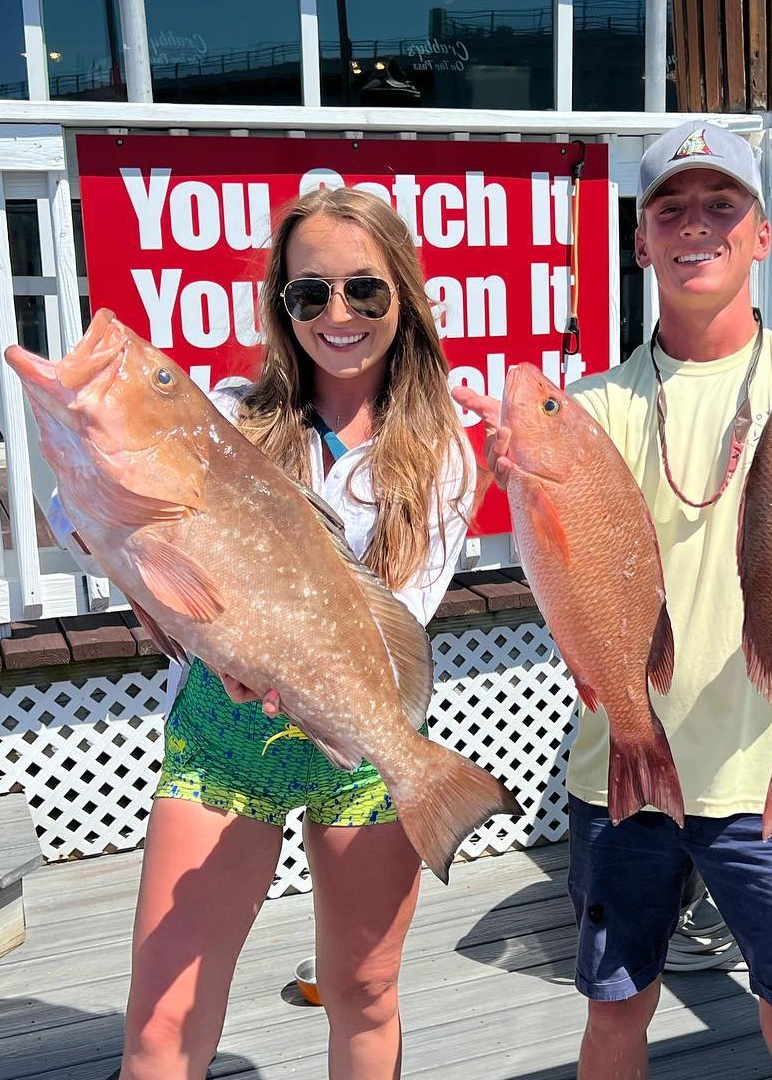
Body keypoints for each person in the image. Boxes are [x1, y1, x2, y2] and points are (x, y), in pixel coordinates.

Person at [453, 121, 772, 1080]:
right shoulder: (592, 409)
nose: (696, 225)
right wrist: (525, 486)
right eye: (670, 208)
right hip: (622, 770)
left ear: (761, 234)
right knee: (615, 1018)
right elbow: (570, 575)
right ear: (640, 240)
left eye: (724, 205)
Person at [53, 185, 476, 1080]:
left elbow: (402, 613)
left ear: (404, 296)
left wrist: (286, 665)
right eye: (307, 292)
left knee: (363, 998)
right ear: (282, 308)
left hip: (360, 743)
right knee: (161, 1030)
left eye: (365, 290)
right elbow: (78, 517)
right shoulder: (231, 412)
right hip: (221, 731)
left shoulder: (445, 451)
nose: (339, 313)